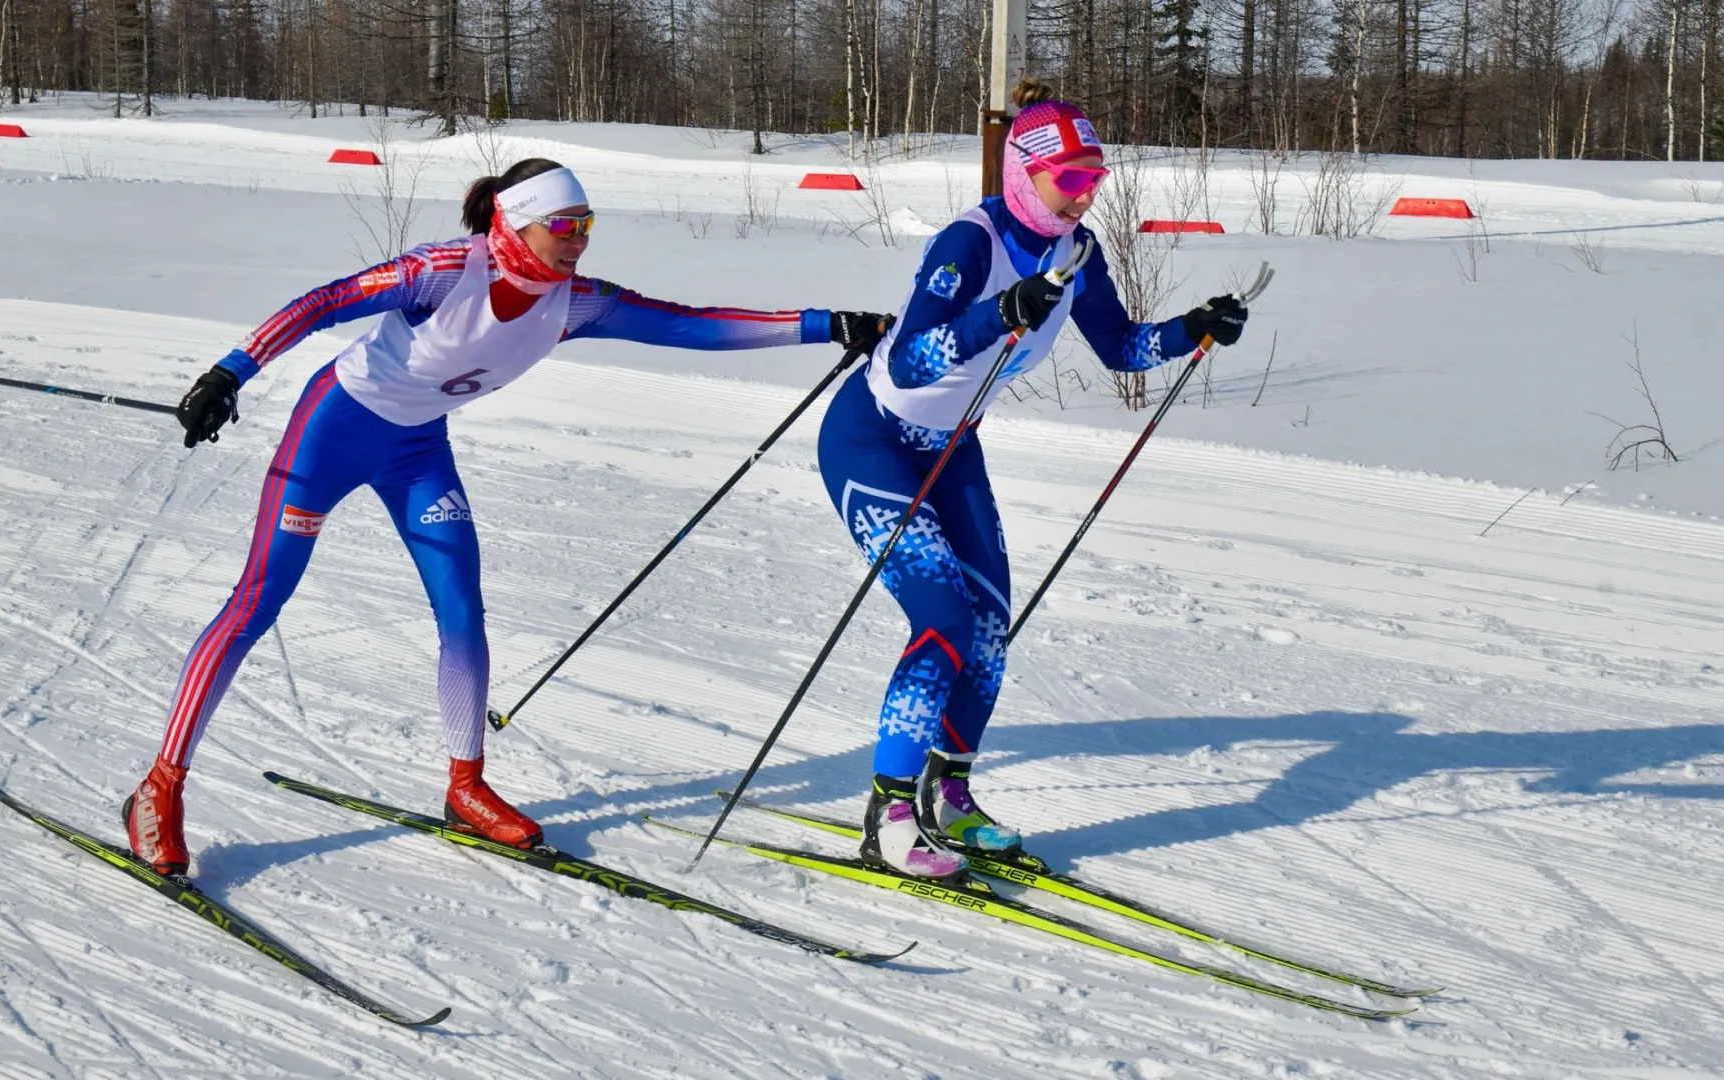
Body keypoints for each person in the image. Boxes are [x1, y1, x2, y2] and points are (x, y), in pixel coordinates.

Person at [125, 158, 889, 877]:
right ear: (515, 223)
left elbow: (692, 323)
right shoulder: (443, 272)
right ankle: (159, 788)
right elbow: (324, 302)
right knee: (259, 602)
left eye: (588, 225)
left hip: (418, 452)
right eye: (566, 226)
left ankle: (465, 786)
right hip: (333, 431)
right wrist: (230, 373)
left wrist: (827, 323)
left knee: (462, 611)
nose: (579, 242)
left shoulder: (575, 302)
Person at [816, 81, 1249, 879]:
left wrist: (1194, 328)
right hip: (872, 437)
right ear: (1025, 172)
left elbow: (1120, 348)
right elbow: (912, 361)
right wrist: (1000, 311)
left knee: (987, 628)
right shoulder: (968, 243)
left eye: (1097, 178)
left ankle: (949, 795)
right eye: (1071, 179)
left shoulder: (1078, 252)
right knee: (941, 615)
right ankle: (890, 812)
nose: (1085, 195)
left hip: (953, 444)